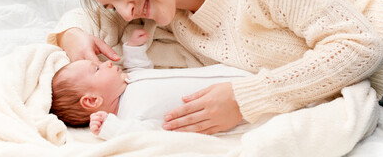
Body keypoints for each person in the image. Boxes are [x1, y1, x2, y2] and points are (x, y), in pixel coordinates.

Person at [48, 0, 383, 135]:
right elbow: (90, 19)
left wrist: (246, 99)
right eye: (112, 4)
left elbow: (359, 46)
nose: (124, 13)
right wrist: (72, 36)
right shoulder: (161, 10)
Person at [51, 29, 253, 139]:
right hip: (232, 105)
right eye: (96, 69)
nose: (106, 64)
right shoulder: (130, 117)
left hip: (229, 74)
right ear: (92, 100)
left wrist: (133, 49)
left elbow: (142, 69)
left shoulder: (128, 80)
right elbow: (145, 135)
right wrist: (110, 127)